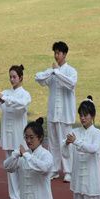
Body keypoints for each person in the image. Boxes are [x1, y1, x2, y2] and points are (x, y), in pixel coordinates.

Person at [0, 64, 31, 199]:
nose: (12, 79)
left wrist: (5, 99)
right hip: (7, 136)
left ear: (21, 78)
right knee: (10, 167)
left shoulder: (25, 94)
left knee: (21, 166)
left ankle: (23, 196)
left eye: (14, 77)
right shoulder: (6, 92)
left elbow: (21, 105)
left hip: (19, 136)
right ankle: (14, 197)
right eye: (10, 77)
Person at [63, 96, 100, 199]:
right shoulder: (75, 132)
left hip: (92, 181)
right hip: (78, 179)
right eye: (81, 115)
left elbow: (93, 149)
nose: (83, 118)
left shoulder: (97, 133)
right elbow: (65, 153)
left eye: (86, 115)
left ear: (92, 116)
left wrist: (76, 142)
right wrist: (66, 143)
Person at [34, 41, 77, 182]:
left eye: (58, 53)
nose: (56, 55)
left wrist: (57, 72)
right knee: (53, 143)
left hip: (65, 115)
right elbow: (38, 78)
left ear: (64, 54)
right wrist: (52, 71)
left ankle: (68, 170)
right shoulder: (51, 72)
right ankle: (54, 169)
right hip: (53, 113)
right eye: (55, 53)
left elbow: (71, 84)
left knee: (66, 142)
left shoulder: (71, 71)